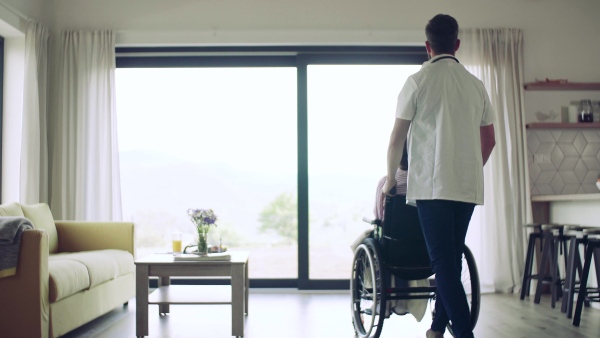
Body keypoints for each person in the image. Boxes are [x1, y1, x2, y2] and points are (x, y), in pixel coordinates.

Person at [382, 14, 496, 338]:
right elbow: (489, 140)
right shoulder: (476, 85)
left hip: (433, 187)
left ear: (427, 46)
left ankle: (463, 334)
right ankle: (436, 329)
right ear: (457, 45)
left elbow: (396, 139)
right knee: (452, 259)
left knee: (443, 264)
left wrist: (391, 180)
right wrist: (471, 168)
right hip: (467, 186)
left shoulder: (417, 81)